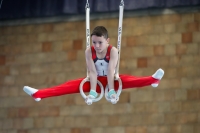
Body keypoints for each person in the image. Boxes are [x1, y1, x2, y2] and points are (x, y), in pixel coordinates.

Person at [23, 26, 164, 105]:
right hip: (94, 82)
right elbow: (92, 72)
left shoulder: (113, 51)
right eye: (94, 42)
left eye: (100, 42)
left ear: (107, 41)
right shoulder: (88, 51)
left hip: (111, 80)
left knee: (129, 80)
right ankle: (38, 94)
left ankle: (153, 80)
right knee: (69, 86)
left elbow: (110, 71)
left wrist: (111, 91)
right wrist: (91, 92)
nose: (96, 46)